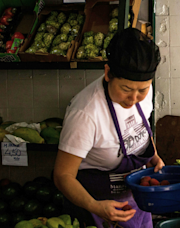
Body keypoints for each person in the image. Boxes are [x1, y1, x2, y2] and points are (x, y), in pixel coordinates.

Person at [53, 28, 164, 228]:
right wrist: (95, 206)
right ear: (107, 74)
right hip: (96, 203)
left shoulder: (142, 90)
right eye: (126, 89)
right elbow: (62, 176)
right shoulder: (86, 113)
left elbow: (141, 126)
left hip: (136, 198)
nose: (133, 99)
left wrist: (153, 155)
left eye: (142, 90)